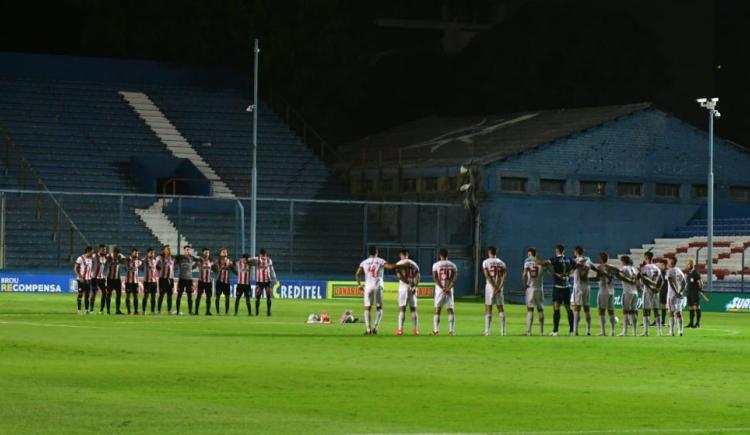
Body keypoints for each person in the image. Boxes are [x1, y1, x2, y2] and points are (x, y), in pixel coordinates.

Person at [355, 246, 397, 335]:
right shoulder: (380, 260)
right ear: (377, 252)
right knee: (379, 307)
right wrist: (399, 265)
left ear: (369, 253)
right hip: (378, 285)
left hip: (368, 286)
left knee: (367, 307)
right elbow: (390, 267)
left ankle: (368, 329)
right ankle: (375, 327)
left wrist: (359, 285)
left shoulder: (364, 262)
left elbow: (357, 274)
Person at [541, 245, 575, 336]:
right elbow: (575, 266)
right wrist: (568, 273)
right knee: (568, 308)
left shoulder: (555, 259)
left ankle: (555, 331)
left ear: (557, 251)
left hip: (558, 287)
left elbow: (546, 263)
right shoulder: (569, 259)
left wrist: (540, 262)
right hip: (567, 287)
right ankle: (572, 331)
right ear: (563, 251)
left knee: (556, 308)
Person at [606, 256, 638, 336]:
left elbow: (618, 272)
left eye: (621, 261)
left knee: (625, 311)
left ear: (624, 261)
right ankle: (634, 332)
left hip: (627, 291)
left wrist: (609, 267)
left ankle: (624, 332)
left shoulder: (625, 268)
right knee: (633, 312)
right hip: (635, 292)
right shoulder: (634, 269)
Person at [432, 248, 458, 336]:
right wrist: (448, 287)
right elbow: (454, 279)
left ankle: (436, 331)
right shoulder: (453, 265)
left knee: (437, 309)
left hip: (440, 290)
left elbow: (435, 278)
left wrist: (442, 287)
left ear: (440, 255)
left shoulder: (436, 265)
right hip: (449, 289)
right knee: (450, 309)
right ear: (447, 255)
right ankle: (451, 331)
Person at [482, 246, 507, 336]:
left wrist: (493, 287)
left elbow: (487, 276)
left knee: (489, 308)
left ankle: (487, 331)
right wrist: (499, 287)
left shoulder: (486, 262)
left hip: (490, 288)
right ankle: (503, 332)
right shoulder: (502, 263)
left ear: (489, 252)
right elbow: (504, 277)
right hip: (499, 289)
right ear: (496, 252)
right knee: (500, 308)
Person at [395, 249, 420, 336]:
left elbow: (399, 276)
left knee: (402, 308)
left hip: (403, 287)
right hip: (412, 286)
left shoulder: (398, 263)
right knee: (413, 309)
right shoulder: (414, 263)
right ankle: (415, 330)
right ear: (407, 255)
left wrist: (407, 282)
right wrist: (415, 286)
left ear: (401, 255)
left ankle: (400, 330)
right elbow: (418, 275)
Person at [570, 246, 594, 336]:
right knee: (587, 309)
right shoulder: (588, 260)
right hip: (587, 286)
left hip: (578, 286)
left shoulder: (575, 260)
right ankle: (588, 330)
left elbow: (571, 269)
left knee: (577, 309)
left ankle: (575, 331)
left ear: (576, 252)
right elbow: (594, 268)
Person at [522, 247, 545, 336]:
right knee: (540, 309)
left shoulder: (527, 262)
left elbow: (524, 274)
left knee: (530, 309)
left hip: (530, 288)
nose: (528, 255)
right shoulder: (541, 263)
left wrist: (524, 285)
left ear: (530, 254)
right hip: (539, 288)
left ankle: (529, 331)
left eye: (529, 254)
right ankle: (541, 332)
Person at [639, 252, 663, 336]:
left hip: (648, 291)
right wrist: (658, 288)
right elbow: (661, 280)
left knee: (646, 310)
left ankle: (646, 332)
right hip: (656, 292)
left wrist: (651, 287)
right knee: (656, 310)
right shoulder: (657, 268)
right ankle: (659, 332)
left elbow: (644, 279)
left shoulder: (645, 267)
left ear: (646, 257)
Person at [592, 252, 616, 336]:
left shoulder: (600, 267)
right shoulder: (611, 267)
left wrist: (587, 279)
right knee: (611, 311)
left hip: (603, 290)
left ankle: (603, 331)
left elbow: (597, 279)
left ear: (601, 259)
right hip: (611, 291)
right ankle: (613, 331)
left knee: (601, 311)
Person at [251, 249, 278, 316]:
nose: (263, 256)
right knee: (258, 297)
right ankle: (257, 312)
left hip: (267, 281)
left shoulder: (269, 260)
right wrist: (248, 259)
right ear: (260, 254)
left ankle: (268, 312)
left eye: (264, 255)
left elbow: (272, 270)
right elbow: (251, 259)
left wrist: (275, 278)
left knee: (268, 296)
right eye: (262, 255)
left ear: (266, 254)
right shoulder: (257, 259)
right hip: (259, 281)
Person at [665, 257, 687, 337]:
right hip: (678, 295)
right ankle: (680, 331)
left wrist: (676, 292)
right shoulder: (679, 271)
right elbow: (684, 283)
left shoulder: (670, 271)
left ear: (672, 262)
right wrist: (680, 292)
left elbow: (671, 282)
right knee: (678, 312)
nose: (667, 263)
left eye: (669, 261)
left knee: (671, 312)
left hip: (671, 294)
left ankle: (671, 332)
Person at [175, 245, 197, 315]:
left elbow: (198, 261)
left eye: (189, 250)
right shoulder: (180, 257)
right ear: (184, 250)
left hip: (189, 280)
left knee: (190, 296)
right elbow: (174, 260)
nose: (188, 251)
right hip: (182, 279)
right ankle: (178, 311)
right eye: (187, 249)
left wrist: (193, 267)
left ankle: (190, 311)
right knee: (179, 295)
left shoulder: (192, 258)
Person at [106, 246, 126, 315]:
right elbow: (106, 259)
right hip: (110, 279)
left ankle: (117, 310)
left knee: (119, 295)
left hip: (117, 279)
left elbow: (124, 260)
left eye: (118, 253)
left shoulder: (120, 256)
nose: (117, 254)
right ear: (113, 252)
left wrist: (122, 260)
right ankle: (108, 310)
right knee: (109, 294)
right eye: (116, 253)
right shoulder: (109, 256)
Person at [74, 246, 94, 314]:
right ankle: (79, 310)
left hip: (88, 279)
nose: (93, 252)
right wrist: (80, 277)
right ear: (88, 251)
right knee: (80, 294)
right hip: (81, 279)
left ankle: (86, 310)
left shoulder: (91, 259)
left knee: (87, 295)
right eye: (92, 251)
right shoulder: (80, 258)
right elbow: (75, 268)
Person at [685, 259, 704, 328]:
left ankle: (698, 323)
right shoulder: (689, 274)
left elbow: (701, 283)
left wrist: (699, 290)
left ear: (692, 265)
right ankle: (691, 323)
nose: (687, 265)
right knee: (690, 308)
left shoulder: (696, 273)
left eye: (688, 264)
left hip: (695, 293)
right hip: (689, 293)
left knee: (696, 307)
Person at [156, 245, 175, 314]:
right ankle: (158, 310)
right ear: (164, 250)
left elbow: (172, 268)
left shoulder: (172, 257)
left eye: (170, 249)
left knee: (170, 296)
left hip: (170, 279)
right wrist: (158, 266)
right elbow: (157, 266)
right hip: (162, 279)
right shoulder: (160, 257)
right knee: (161, 295)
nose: (169, 250)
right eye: (167, 249)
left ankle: (169, 310)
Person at [213, 248, 233, 315]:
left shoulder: (229, 261)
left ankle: (227, 312)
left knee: (227, 297)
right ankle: (217, 312)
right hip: (219, 281)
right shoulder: (217, 261)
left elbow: (232, 269)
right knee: (217, 297)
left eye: (225, 252)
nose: (225, 253)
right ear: (220, 253)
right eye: (223, 252)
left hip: (227, 282)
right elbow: (213, 268)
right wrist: (217, 271)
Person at [195, 248, 214, 316]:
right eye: (205, 252)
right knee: (199, 296)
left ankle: (208, 311)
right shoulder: (200, 260)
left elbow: (214, 268)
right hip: (201, 281)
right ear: (203, 253)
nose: (207, 254)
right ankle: (196, 311)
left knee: (208, 297)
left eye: (208, 252)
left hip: (208, 282)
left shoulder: (211, 260)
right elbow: (195, 265)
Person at [141, 248, 159, 314]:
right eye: (151, 252)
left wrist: (156, 275)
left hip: (154, 281)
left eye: (153, 253)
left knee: (153, 297)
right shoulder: (145, 260)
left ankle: (152, 311)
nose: (152, 254)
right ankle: (143, 311)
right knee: (146, 296)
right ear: (147, 253)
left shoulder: (155, 260)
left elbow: (155, 269)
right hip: (147, 281)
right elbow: (141, 264)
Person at [124, 248, 141, 315]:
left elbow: (141, 263)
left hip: (135, 281)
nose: (137, 254)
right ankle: (129, 311)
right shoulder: (128, 259)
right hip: (128, 281)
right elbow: (126, 264)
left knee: (135, 296)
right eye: (135, 253)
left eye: (137, 253)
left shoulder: (138, 261)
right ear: (132, 253)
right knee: (128, 296)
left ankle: (136, 311)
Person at [92, 244, 108, 314]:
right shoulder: (94, 256)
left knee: (105, 293)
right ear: (100, 249)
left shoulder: (105, 257)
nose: (105, 251)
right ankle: (91, 310)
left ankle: (101, 310)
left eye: (105, 249)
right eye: (103, 249)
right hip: (94, 278)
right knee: (94, 293)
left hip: (101, 278)